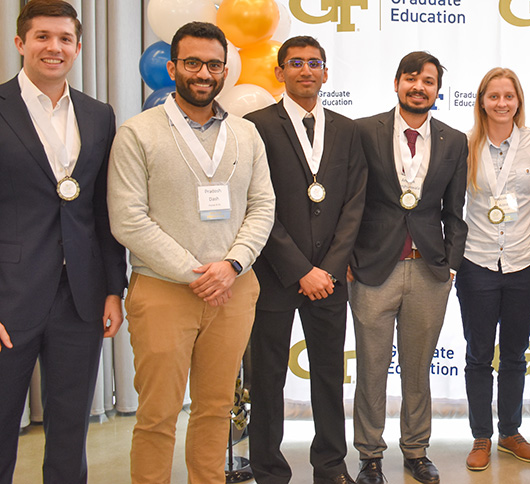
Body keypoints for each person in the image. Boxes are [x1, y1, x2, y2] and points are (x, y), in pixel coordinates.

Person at [107, 21, 275, 484]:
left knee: (217, 409)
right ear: (172, 67)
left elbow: (263, 207)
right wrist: (195, 272)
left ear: (225, 70)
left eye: (213, 64)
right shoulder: (137, 133)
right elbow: (128, 219)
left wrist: (231, 265)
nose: (203, 73)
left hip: (234, 290)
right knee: (158, 414)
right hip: (163, 290)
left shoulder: (246, 134)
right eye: (193, 63)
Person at [0, 1, 127, 482]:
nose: (54, 47)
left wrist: (115, 287)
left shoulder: (98, 115)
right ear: (20, 44)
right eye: (42, 37)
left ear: (77, 47)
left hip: (82, 297)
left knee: (72, 428)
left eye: (64, 39)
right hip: (10, 297)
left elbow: (102, 209)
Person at [243, 35, 366, 484]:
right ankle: (269, 470)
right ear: (280, 72)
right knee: (268, 381)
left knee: (330, 380)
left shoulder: (348, 130)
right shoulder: (254, 125)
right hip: (274, 276)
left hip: (331, 281)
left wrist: (328, 270)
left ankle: (331, 467)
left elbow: (354, 205)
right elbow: (257, 205)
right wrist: (300, 270)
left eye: (315, 63)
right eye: (295, 63)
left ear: (326, 73)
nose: (306, 70)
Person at [348, 51, 468, 484]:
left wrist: (450, 264)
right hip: (372, 268)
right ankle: (370, 456)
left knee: (418, 369)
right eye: (411, 78)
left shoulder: (454, 140)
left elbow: (456, 210)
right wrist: (347, 259)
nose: (419, 87)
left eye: (429, 81)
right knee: (372, 367)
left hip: (428, 270)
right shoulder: (363, 131)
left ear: (438, 90)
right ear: (396, 83)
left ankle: (416, 451)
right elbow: (351, 202)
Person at [458, 67, 530, 471]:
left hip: (522, 263)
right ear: (481, 101)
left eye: (508, 96)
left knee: (514, 354)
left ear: (518, 100)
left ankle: (510, 431)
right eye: (493, 96)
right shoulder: (464, 144)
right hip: (477, 261)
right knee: (479, 355)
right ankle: (481, 437)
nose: (501, 103)